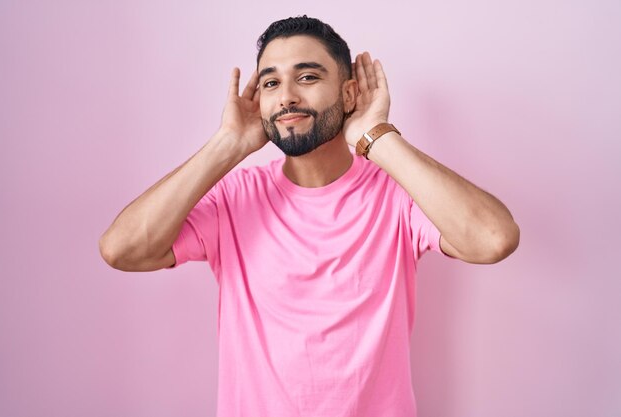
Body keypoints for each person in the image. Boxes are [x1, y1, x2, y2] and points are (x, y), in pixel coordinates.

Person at [99, 15, 519, 417]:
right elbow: (123, 250)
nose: (286, 97)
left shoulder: (399, 194)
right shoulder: (234, 198)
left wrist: (375, 137)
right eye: (271, 83)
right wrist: (227, 145)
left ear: (350, 94)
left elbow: (493, 238)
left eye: (308, 77)